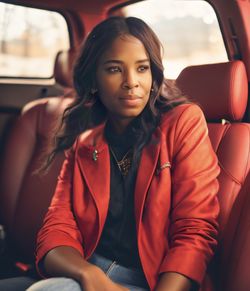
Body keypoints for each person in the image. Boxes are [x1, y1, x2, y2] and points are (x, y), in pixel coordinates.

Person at [6, 16, 220, 291]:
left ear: (153, 76)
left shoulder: (183, 122)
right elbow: (56, 230)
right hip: (86, 270)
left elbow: (195, 231)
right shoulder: (84, 144)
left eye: (142, 68)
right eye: (114, 69)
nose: (131, 82)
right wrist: (88, 275)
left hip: (157, 281)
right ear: (94, 80)